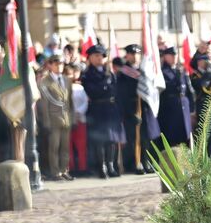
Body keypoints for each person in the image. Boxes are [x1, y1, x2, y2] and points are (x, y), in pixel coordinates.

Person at [117, 44, 159, 174]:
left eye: (137, 54)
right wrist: (129, 113)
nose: (135, 56)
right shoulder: (123, 73)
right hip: (132, 108)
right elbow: (121, 95)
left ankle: (146, 161)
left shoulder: (144, 70)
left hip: (144, 108)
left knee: (146, 138)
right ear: (127, 55)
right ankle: (136, 163)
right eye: (132, 54)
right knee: (134, 139)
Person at [81, 45, 122, 179]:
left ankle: (111, 165)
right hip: (97, 109)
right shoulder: (87, 74)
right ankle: (102, 166)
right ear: (90, 58)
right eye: (96, 56)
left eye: (102, 56)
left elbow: (115, 90)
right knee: (100, 140)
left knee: (111, 139)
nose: (100, 58)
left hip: (110, 108)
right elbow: (92, 91)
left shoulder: (109, 72)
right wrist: (105, 83)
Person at [37, 54, 74, 180]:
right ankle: (55, 171)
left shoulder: (67, 80)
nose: (59, 66)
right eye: (56, 64)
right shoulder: (45, 82)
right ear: (50, 65)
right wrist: (46, 121)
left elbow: (70, 101)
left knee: (65, 147)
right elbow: (44, 104)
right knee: (54, 147)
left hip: (66, 118)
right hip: (53, 119)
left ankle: (64, 170)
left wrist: (72, 117)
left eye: (61, 64)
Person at [158, 47, 195, 149]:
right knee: (173, 137)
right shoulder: (162, 72)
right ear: (165, 56)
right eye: (171, 55)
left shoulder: (180, 70)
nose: (174, 57)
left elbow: (188, 90)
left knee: (186, 136)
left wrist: (192, 109)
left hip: (184, 108)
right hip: (170, 108)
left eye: (175, 55)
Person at [66, 64, 89, 176]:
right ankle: (71, 168)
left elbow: (85, 101)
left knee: (81, 145)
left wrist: (79, 111)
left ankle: (82, 168)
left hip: (80, 119)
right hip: (68, 119)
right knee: (68, 145)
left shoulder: (80, 88)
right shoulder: (63, 87)